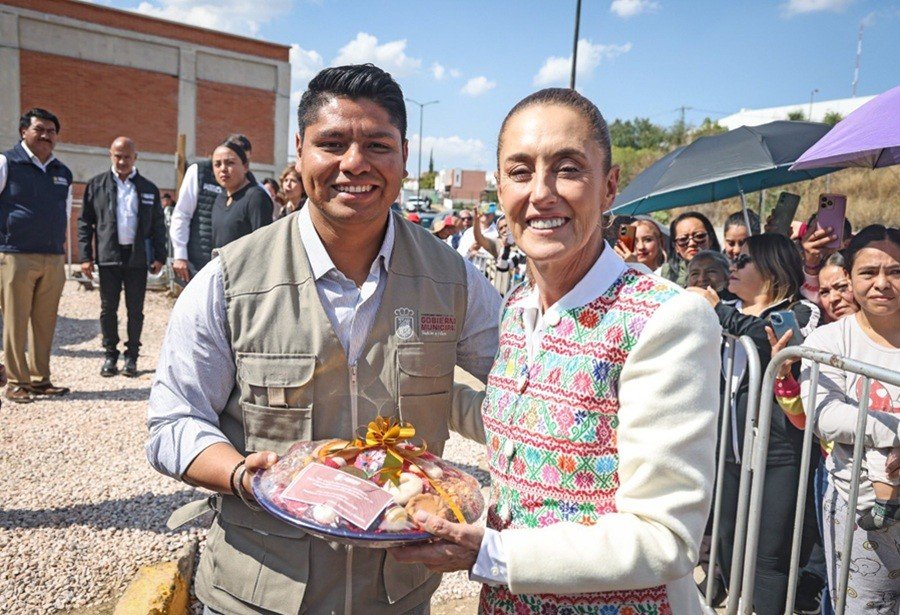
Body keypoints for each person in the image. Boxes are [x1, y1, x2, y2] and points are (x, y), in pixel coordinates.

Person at [147, 63, 501, 615]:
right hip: (256, 594)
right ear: (300, 151)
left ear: (404, 156)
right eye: (332, 144)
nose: (354, 163)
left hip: (397, 598)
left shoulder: (454, 281)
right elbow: (174, 421)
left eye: (377, 145)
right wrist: (240, 475)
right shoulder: (230, 280)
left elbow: (525, 393)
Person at [392, 87, 721, 614]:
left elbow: (664, 537)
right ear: (500, 187)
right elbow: (522, 427)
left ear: (609, 187)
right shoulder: (519, 305)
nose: (541, 193)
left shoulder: (664, 318)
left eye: (567, 169)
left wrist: (492, 553)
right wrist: (410, 385)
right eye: (520, 172)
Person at [690, 233, 821, 614]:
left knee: (768, 557)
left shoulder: (800, 310)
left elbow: (769, 341)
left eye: (744, 260)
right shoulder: (723, 304)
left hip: (778, 454)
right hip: (728, 451)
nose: (733, 265)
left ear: (771, 268)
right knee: (727, 544)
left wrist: (720, 313)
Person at [802, 225, 900, 613]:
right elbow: (825, 415)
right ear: (849, 277)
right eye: (869, 272)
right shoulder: (828, 341)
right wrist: (896, 433)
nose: (882, 284)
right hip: (858, 510)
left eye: (896, 271)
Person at [77, 137, 167, 377]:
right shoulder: (97, 185)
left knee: (135, 310)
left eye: (127, 156)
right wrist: (85, 257)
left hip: (137, 258)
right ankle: (110, 355)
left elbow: (158, 225)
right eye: (118, 156)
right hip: (109, 257)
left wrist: (160, 256)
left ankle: (132, 357)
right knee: (108, 309)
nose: (122, 161)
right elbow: (85, 223)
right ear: (111, 155)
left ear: (135, 158)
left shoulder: (148, 188)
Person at [0, 108, 72, 404]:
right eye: (39, 129)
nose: (46, 135)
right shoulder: (7, 162)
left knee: (45, 322)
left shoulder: (62, 172)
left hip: (52, 257)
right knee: (15, 321)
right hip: (16, 255)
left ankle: (40, 379)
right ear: (23, 132)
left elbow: (64, 212)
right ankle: (17, 382)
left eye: (51, 131)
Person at [169, 134, 258, 283]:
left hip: (231, 267)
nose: (225, 168)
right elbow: (182, 213)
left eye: (244, 160)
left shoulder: (254, 189)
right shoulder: (199, 172)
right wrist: (180, 254)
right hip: (197, 259)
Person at [210, 141, 272, 249]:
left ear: (245, 166)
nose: (223, 169)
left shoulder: (256, 197)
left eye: (230, 163)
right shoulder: (220, 198)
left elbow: (264, 246)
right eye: (217, 164)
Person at [660, 211, 720, 287]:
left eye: (699, 236)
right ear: (676, 247)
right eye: (683, 239)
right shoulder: (668, 272)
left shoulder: (726, 269)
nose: (692, 243)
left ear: (710, 239)